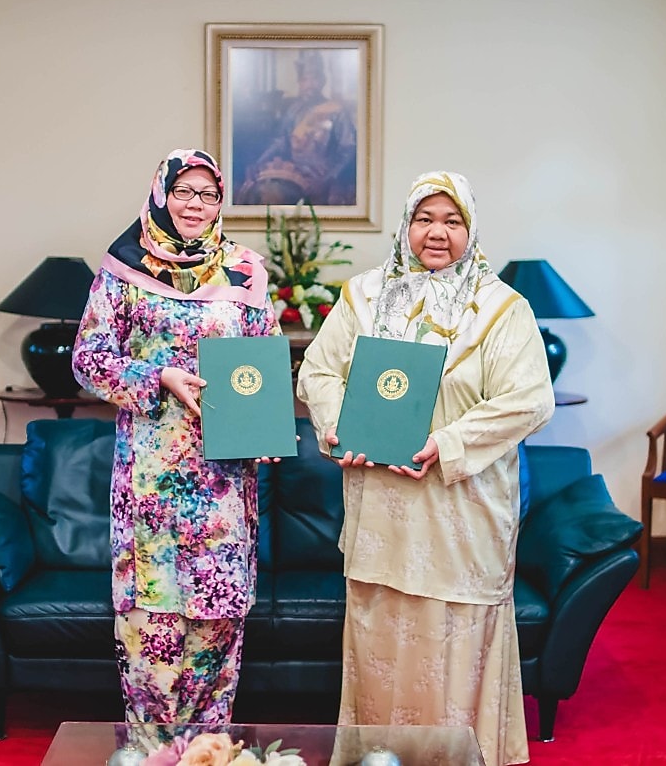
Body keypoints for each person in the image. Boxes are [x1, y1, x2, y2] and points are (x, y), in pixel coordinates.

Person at [296, 170, 555, 766]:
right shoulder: (363, 296)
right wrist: (338, 426)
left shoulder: (502, 308)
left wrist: (447, 443)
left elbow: (529, 400)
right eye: (424, 219)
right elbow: (317, 372)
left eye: (452, 220)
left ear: (471, 228)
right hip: (381, 519)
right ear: (406, 225)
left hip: (461, 519)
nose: (437, 233)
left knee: (455, 654)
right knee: (381, 651)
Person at [71, 148, 281, 726]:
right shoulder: (123, 269)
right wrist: (157, 376)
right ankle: (154, 753)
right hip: (151, 479)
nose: (195, 204)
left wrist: (266, 423)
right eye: (183, 191)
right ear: (161, 195)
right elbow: (88, 358)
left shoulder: (245, 270)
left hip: (223, 483)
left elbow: (264, 359)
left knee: (218, 622)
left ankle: (208, 750)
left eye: (207, 194)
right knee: (152, 630)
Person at [237, 50, 358, 207]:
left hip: (322, 177)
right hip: (294, 174)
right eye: (305, 79)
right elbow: (280, 140)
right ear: (299, 82)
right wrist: (259, 162)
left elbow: (348, 149)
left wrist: (328, 178)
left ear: (322, 80)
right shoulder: (294, 110)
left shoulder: (337, 111)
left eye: (314, 78)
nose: (310, 85)